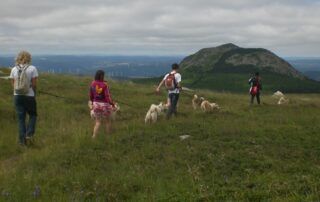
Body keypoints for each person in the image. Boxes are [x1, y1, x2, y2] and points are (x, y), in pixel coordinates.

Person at [9, 51, 39, 145]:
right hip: (29, 96)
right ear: (28, 58)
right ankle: (29, 135)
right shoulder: (32, 68)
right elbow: (34, 84)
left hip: (17, 96)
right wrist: (34, 92)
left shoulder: (14, 69)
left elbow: (13, 83)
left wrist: (17, 91)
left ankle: (22, 142)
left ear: (18, 58)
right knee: (33, 115)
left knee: (21, 119)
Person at [89, 70, 115, 138]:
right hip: (105, 106)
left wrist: (92, 102)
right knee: (107, 121)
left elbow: (91, 95)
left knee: (98, 122)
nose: (104, 77)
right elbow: (107, 97)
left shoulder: (92, 83)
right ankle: (108, 136)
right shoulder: (105, 85)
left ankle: (94, 136)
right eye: (103, 75)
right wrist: (112, 103)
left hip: (96, 105)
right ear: (101, 76)